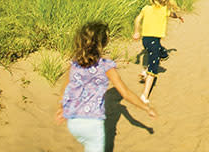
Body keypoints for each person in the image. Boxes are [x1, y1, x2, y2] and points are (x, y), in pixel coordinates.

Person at [56, 21, 156, 152]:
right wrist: (146, 108)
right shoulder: (106, 66)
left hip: (73, 122)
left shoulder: (75, 62)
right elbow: (125, 93)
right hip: (92, 124)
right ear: (103, 43)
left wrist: (61, 106)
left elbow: (66, 86)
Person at [133, 0, 184, 104]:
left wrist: (137, 32)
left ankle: (147, 69)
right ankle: (144, 95)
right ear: (164, 0)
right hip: (154, 42)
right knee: (153, 70)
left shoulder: (146, 8)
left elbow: (137, 19)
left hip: (145, 41)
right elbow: (172, 14)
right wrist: (178, 17)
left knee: (163, 53)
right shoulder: (165, 10)